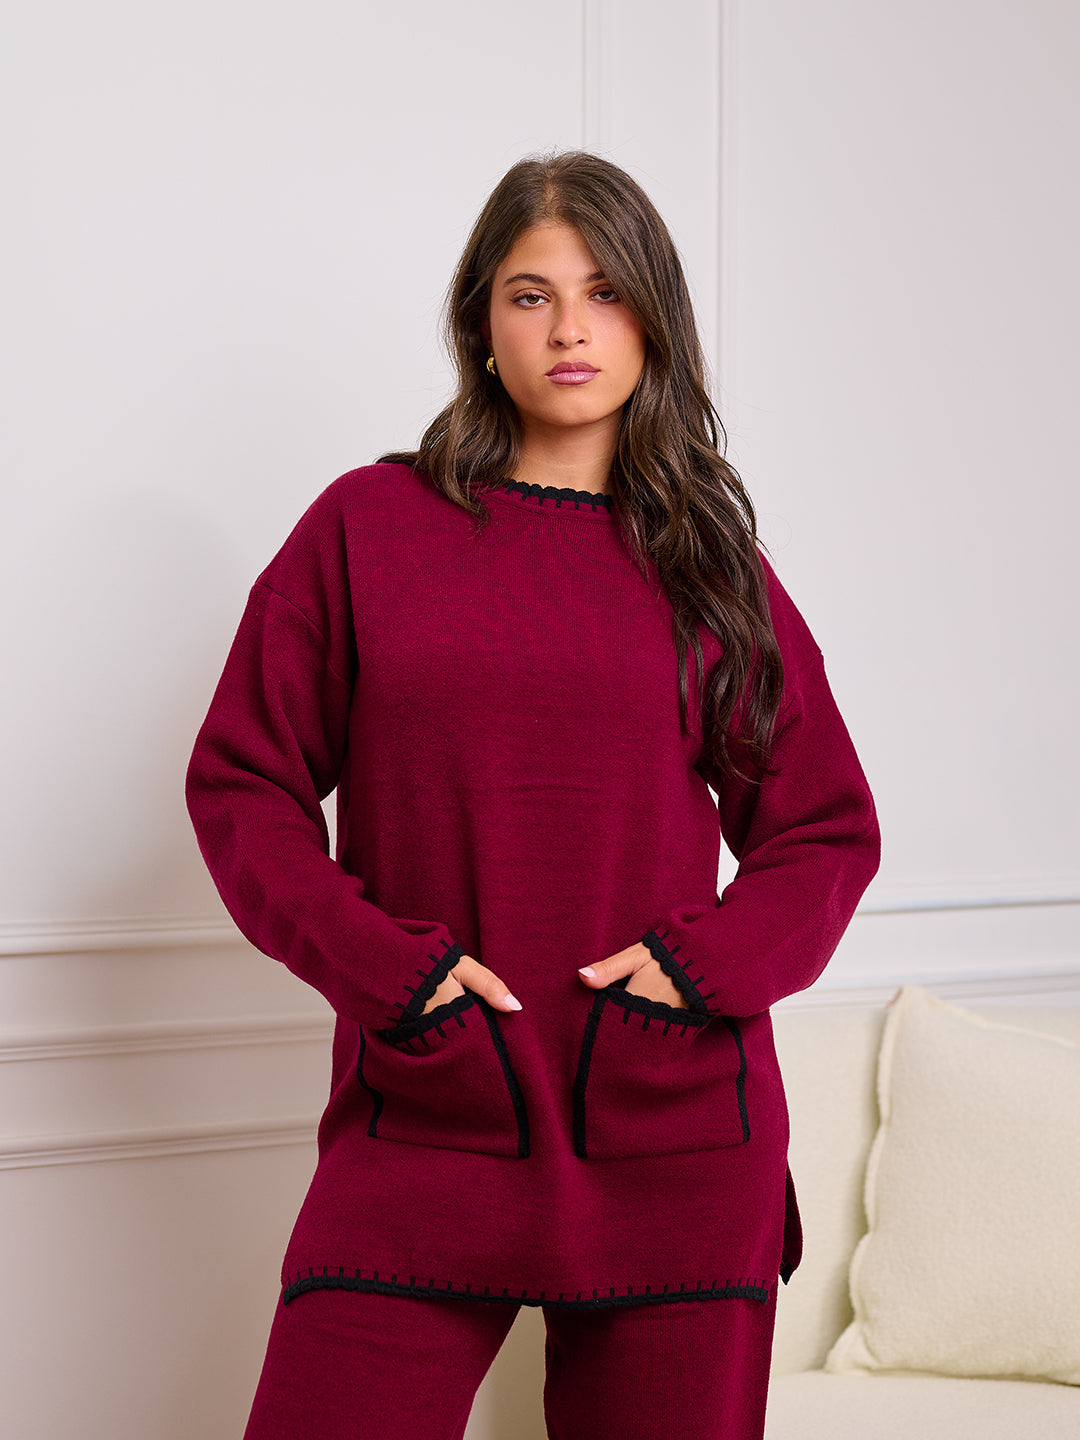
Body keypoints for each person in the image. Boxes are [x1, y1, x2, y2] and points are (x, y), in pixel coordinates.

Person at [186, 150, 880, 1440]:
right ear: (481, 323)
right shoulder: (367, 527)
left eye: (605, 291)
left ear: (654, 321)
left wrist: (703, 971)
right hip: (430, 1104)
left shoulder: (709, 565)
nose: (570, 328)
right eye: (531, 294)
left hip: (672, 1123)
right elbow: (243, 785)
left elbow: (824, 828)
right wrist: (388, 972)